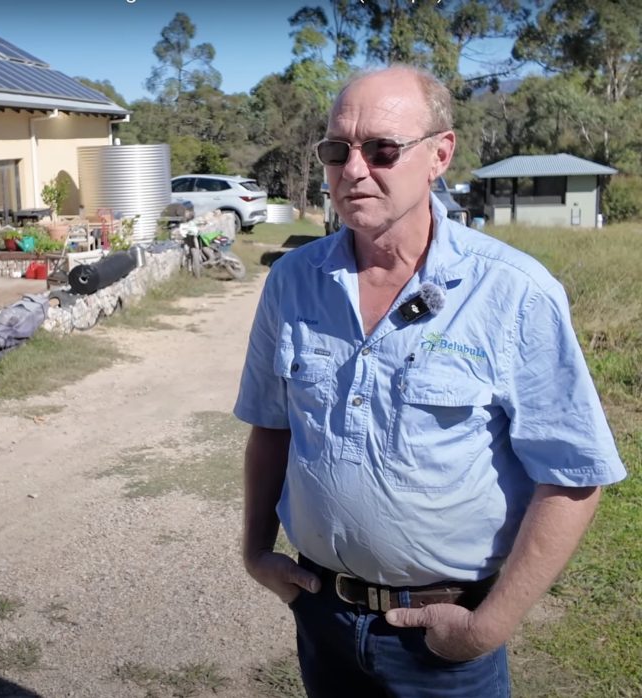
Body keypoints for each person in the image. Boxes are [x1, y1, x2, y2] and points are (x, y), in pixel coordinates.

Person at [234, 65, 626, 698]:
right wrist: (256, 553)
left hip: (442, 644)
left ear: (440, 154)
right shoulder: (292, 282)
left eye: (382, 150)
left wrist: (485, 627)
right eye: (337, 150)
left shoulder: (514, 294)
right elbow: (271, 425)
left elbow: (573, 475)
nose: (354, 169)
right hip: (321, 618)